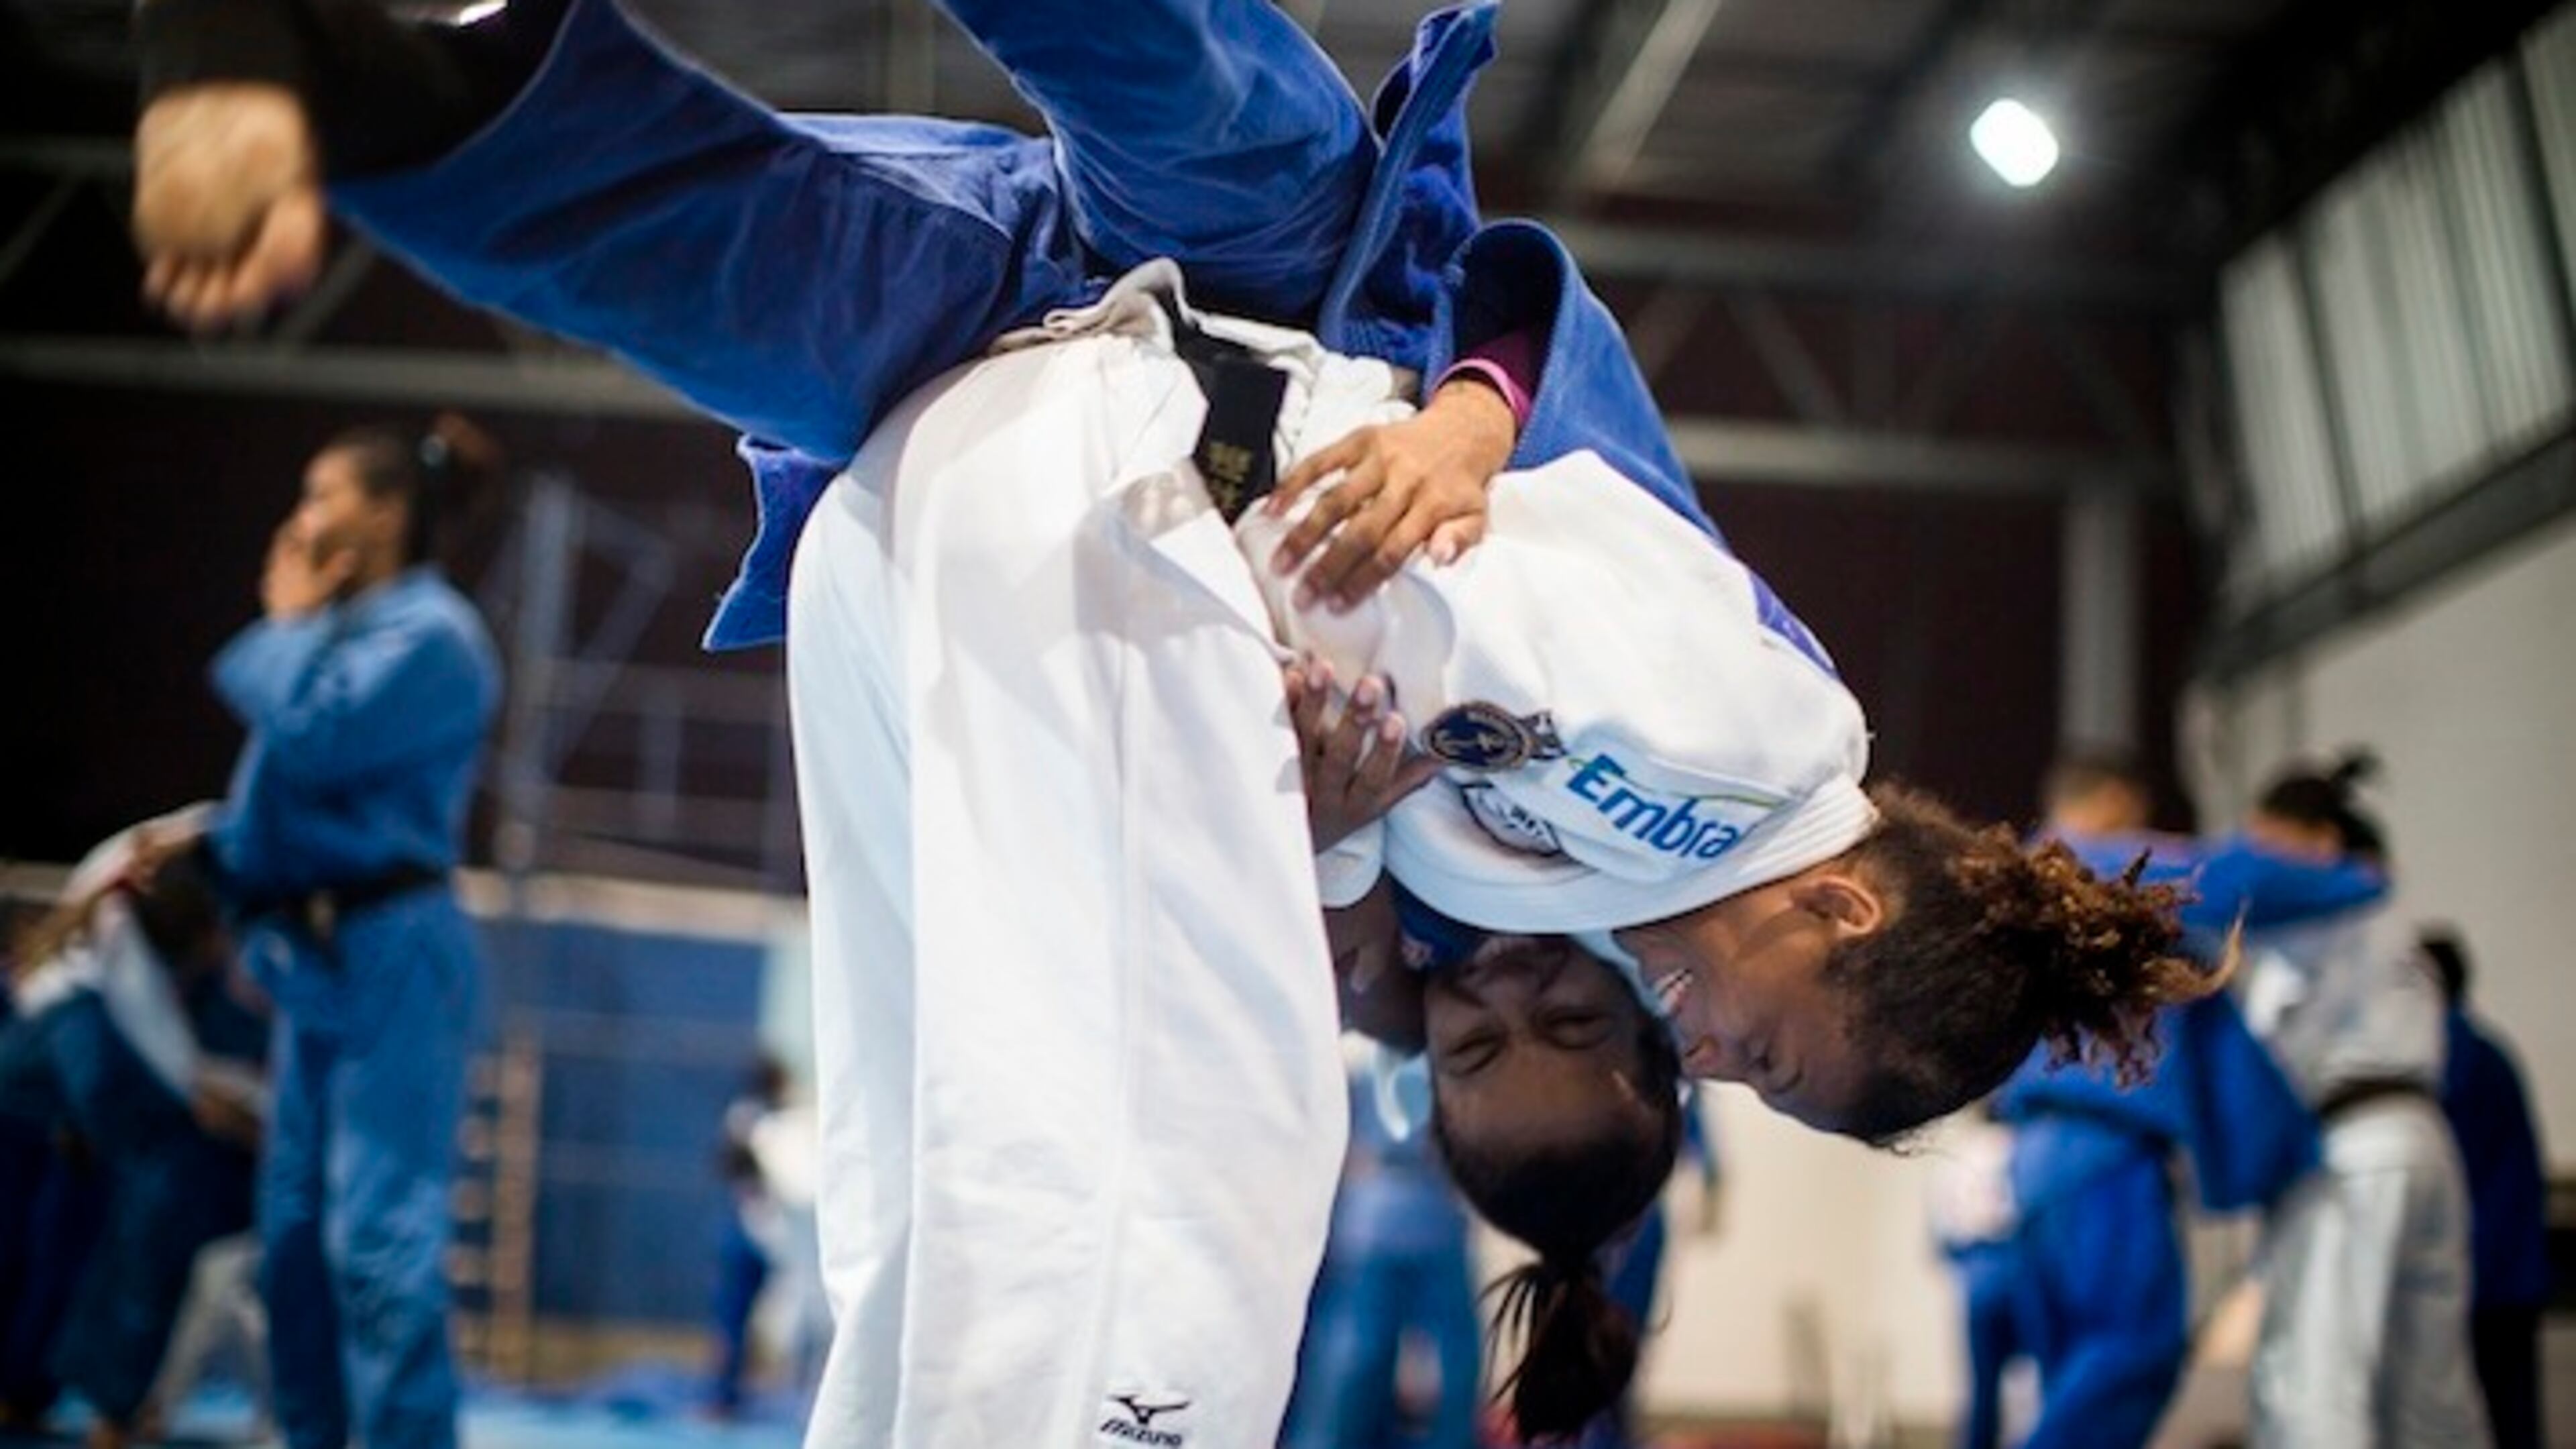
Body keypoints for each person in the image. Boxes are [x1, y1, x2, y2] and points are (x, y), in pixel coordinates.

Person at [126, 2, 2204, 1442]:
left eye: (1501, 1046)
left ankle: (338, 68)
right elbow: (1512, 318)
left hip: (1055, 402)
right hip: (1299, 302)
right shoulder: (1745, 754)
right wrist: (1476, 433)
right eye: (1741, 1053)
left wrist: (1314, 823)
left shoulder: (1518, 928)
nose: (1688, 1044)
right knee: (1157, 59)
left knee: (665, 260)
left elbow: (1278, 837)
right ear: (1843, 923)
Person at [160, 419, 505, 1449]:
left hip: (396, 953)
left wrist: (284, 622)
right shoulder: (346, 636)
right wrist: (216, 861)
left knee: (379, 1246)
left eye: (321, 496)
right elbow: (279, 801)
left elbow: (315, 740)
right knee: (296, 1247)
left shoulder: (433, 636)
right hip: (312, 958)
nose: (301, 519)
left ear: (387, 514)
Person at [1935, 750, 2324, 1449]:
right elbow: (2238, 878)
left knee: (2067, 1365)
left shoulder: (2005, 891)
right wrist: (2354, 875)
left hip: (2031, 1155)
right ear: (2114, 804)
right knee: (2131, 1351)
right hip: (2104, 1151)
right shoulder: (2093, 861)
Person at [2235, 757, 2490, 1449]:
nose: (2262, 864)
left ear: (2318, 840)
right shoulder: (2390, 916)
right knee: (2430, 1388)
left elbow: (2267, 1058)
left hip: (2356, 1151)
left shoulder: (2328, 911)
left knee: (2321, 1377)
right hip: (2423, 1144)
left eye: (2270, 843)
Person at [0, 816, 268, 1449]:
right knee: (159, 1192)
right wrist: (271, 1137)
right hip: (49, 1082)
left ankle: (53, 1393)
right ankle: (95, 1403)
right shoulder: (116, 970)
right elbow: (191, 1090)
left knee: (83, 1226)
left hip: (63, 1092)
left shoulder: (148, 864)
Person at [1280, 1042, 1485, 1449]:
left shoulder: (1456, 1037)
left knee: (1450, 1378)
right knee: (1347, 1371)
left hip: (1436, 1215)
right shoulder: (1348, 1044)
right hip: (1368, 1225)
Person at [2422, 929, 2550, 1449]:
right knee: (2509, 1410)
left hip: (2485, 1271)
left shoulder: (2452, 1054)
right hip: (2505, 1266)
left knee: (2486, 1414)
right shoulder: (2482, 1047)